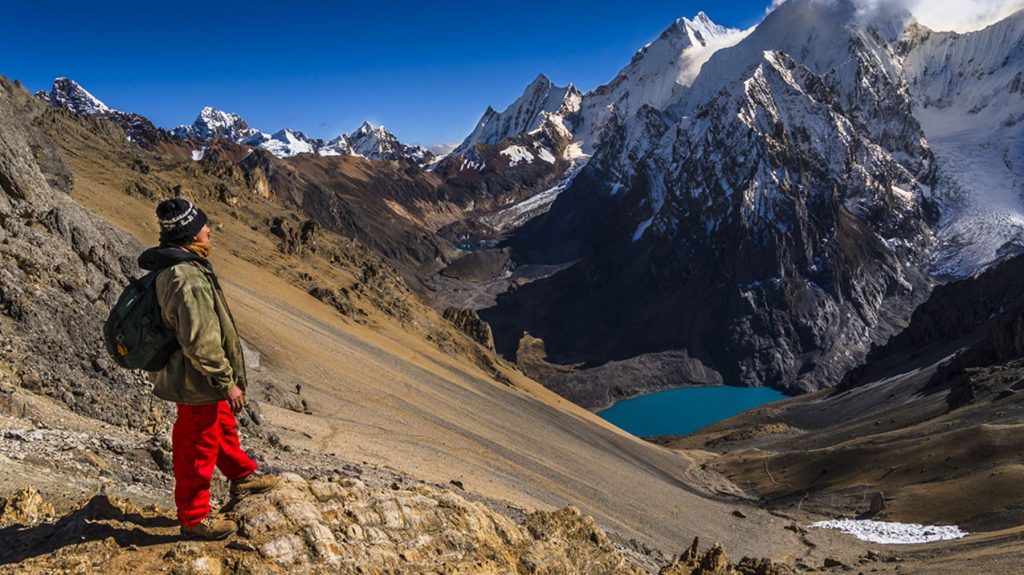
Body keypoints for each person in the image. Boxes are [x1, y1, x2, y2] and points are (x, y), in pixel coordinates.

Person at [138, 198, 277, 540]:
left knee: (221, 424)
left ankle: (242, 475)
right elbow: (201, 341)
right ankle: (194, 518)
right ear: (190, 233)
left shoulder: (178, 267)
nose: (210, 230)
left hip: (193, 375)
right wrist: (226, 381)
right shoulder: (188, 279)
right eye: (204, 225)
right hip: (195, 377)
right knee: (196, 443)